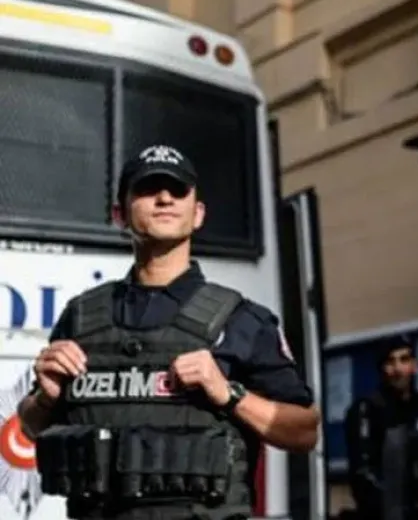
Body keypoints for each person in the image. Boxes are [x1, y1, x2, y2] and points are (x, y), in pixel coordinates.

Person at [17, 145, 320, 520]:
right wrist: (45, 398)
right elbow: (31, 426)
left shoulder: (242, 320)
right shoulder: (81, 318)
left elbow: (305, 431)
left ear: (198, 214)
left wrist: (229, 394)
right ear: (119, 214)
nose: (164, 198)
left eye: (178, 190)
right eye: (148, 189)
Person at [344, 337, 418, 520]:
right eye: (390, 361)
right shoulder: (367, 409)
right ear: (381, 368)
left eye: (404, 359)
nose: (398, 369)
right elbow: (362, 473)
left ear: (413, 365)